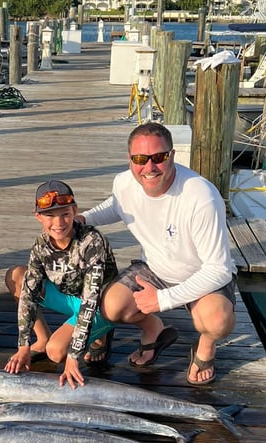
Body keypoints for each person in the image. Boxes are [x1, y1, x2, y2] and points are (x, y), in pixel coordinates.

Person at [80, 122, 236, 385]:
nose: (149, 167)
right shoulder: (123, 183)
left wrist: (163, 300)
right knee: (110, 307)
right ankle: (154, 329)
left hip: (202, 278)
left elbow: (218, 269)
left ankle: (206, 346)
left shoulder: (201, 196)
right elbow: (117, 206)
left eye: (159, 158)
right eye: (140, 159)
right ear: (129, 160)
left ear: (172, 155)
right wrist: (83, 218)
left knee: (216, 320)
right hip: (153, 270)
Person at [4, 179, 118, 388]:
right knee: (18, 275)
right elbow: (29, 293)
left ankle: (102, 332)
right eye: (50, 215)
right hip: (68, 297)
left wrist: (74, 355)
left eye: (65, 214)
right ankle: (42, 337)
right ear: (38, 216)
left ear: (75, 211)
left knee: (56, 353)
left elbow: (90, 299)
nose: (58, 223)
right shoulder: (41, 245)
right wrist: (23, 345)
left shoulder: (92, 241)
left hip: (98, 305)